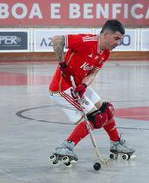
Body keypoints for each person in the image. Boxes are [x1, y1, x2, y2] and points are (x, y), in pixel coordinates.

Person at [49, 19, 135, 165]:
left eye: (120, 40)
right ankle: (65, 147)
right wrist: (62, 63)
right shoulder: (86, 41)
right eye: (116, 39)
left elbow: (93, 74)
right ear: (105, 35)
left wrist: (83, 85)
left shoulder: (105, 53)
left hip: (77, 86)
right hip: (62, 88)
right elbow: (57, 40)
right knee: (97, 118)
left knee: (107, 110)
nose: (118, 43)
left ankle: (116, 143)